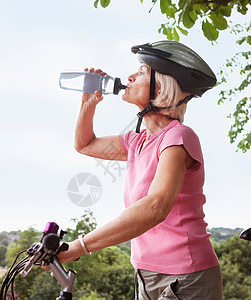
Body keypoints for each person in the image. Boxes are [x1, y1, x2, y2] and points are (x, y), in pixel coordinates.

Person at [56, 40, 222, 299]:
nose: (130, 76)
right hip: (145, 274)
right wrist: (88, 103)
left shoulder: (178, 138)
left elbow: (155, 207)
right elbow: (84, 144)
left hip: (186, 277)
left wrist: (81, 246)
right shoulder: (137, 142)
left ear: (161, 88)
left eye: (142, 72)